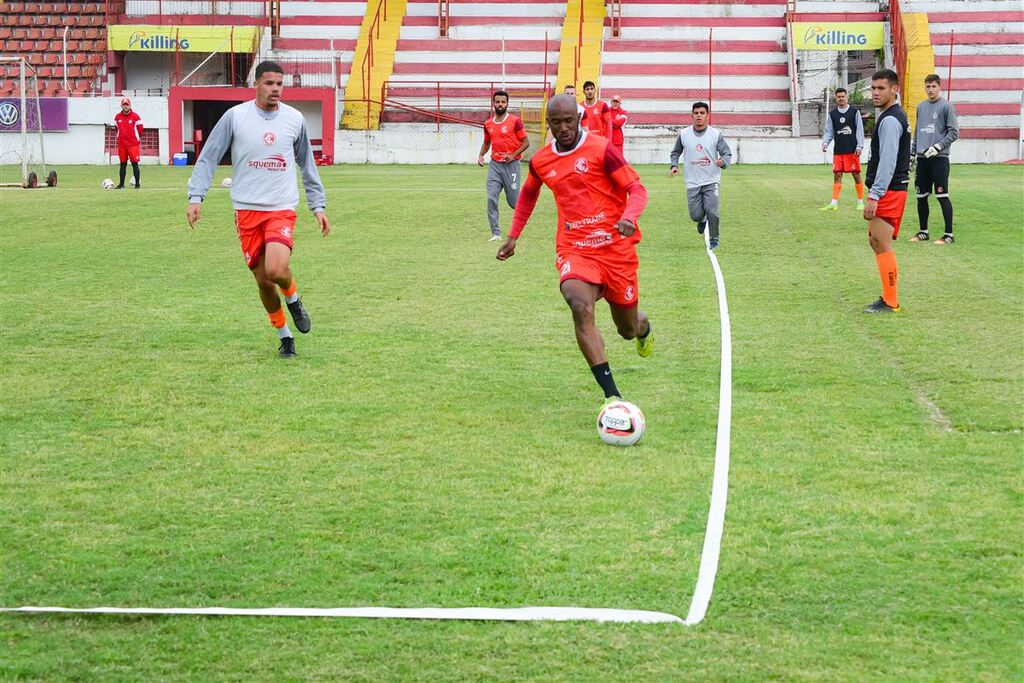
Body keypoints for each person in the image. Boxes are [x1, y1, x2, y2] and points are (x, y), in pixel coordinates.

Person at [496, 94, 653, 405]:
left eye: (569, 121)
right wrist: (513, 235)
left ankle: (643, 327)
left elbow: (636, 189)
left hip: (616, 249)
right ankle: (613, 398)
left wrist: (628, 217)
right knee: (579, 304)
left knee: (627, 329)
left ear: (579, 119)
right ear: (549, 124)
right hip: (575, 248)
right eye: (557, 123)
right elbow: (528, 195)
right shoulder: (542, 160)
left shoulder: (600, 149)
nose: (564, 128)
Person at [186, 60, 331, 357]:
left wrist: (318, 205)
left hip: (281, 206)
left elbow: (307, 164)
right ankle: (285, 336)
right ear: (257, 84)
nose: (275, 89)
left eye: (279, 83)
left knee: (277, 269)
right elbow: (209, 156)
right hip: (247, 209)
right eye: (269, 83)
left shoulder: (294, 119)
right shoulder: (235, 117)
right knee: (264, 281)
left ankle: (293, 299)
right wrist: (196, 196)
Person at [862, 68, 911, 314]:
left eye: (881, 88)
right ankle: (887, 297)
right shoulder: (891, 116)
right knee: (875, 240)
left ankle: (891, 301)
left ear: (895, 89)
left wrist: (874, 195)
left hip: (890, 190)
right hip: (889, 189)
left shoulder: (891, 119)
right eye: (873, 88)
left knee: (881, 242)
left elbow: (888, 161)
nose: (875, 93)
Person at [669, 101, 732, 251]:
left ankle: (714, 239)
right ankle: (701, 220)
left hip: (711, 179)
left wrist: (723, 162)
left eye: (702, 113)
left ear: (707, 115)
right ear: (692, 115)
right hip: (692, 181)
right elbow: (676, 152)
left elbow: (727, 153)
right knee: (696, 215)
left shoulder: (715, 135)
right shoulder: (684, 134)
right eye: (696, 113)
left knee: (712, 210)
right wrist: (674, 165)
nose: (699, 116)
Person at [910, 74, 960, 245]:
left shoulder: (946, 107)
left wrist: (938, 147)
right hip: (923, 159)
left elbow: (954, 132)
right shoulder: (921, 107)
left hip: (939, 159)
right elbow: (917, 132)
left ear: (939, 87)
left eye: (933, 86)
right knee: (921, 196)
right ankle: (923, 231)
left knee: (942, 195)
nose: (930, 90)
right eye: (928, 86)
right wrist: (913, 153)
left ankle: (949, 235)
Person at [478, 90, 530, 242]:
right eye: (498, 102)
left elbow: (526, 142)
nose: (500, 104)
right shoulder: (488, 124)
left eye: (503, 102)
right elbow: (487, 142)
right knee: (491, 198)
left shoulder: (515, 121)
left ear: (507, 104)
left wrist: (513, 155)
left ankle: (524, 214)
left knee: (513, 201)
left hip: (512, 165)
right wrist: (481, 155)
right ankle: (496, 233)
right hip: (495, 165)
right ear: (493, 104)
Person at [819, 87, 865, 211]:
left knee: (856, 175)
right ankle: (834, 203)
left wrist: (860, 146)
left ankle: (860, 202)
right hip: (839, 150)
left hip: (852, 150)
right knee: (837, 175)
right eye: (838, 97)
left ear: (846, 97)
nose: (841, 98)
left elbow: (860, 130)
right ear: (836, 98)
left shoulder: (854, 112)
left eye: (842, 96)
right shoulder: (833, 114)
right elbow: (829, 131)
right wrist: (825, 143)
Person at [113, 96, 143, 189]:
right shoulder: (117, 117)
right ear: (121, 106)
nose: (125, 107)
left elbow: (140, 130)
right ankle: (121, 184)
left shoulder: (136, 117)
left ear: (130, 105)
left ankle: (137, 184)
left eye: (127, 105)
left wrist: (135, 139)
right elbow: (116, 129)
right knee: (123, 164)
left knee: (135, 164)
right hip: (122, 145)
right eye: (124, 105)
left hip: (133, 145)